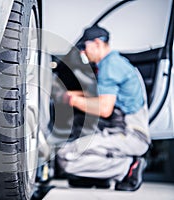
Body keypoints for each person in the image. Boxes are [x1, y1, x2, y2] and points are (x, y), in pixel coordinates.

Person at [57, 25, 151, 191]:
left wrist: (73, 100)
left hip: (130, 135)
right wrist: (70, 94)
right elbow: (99, 96)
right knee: (80, 128)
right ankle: (99, 178)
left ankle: (127, 168)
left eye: (85, 46)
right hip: (121, 130)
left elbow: (104, 109)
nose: (82, 52)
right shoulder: (114, 62)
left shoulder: (110, 66)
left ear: (98, 43)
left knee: (66, 157)